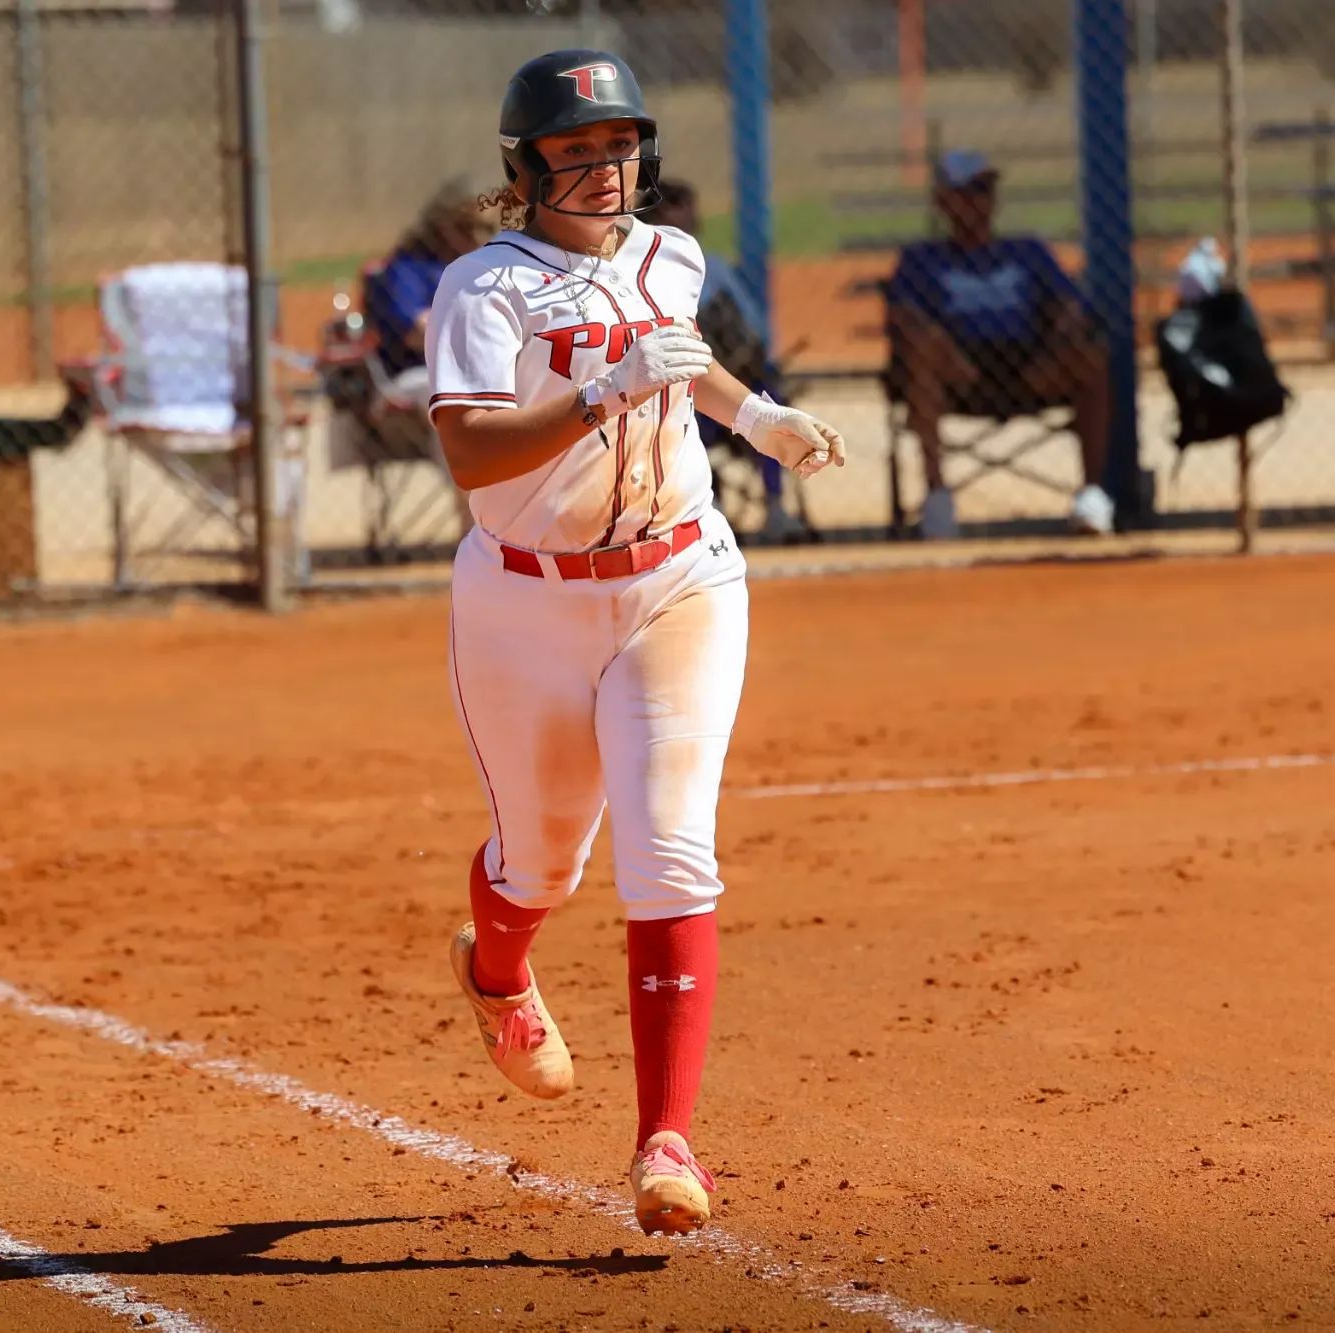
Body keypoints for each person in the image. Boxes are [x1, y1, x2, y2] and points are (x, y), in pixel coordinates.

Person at [424, 49, 846, 1237]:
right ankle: (496, 966)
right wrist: (607, 388)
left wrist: (754, 415)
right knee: (540, 865)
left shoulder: (673, 255)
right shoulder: (484, 288)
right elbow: (471, 455)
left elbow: (679, 360)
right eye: (574, 148)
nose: (602, 168)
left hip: (677, 576)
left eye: (617, 146)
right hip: (525, 603)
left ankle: (668, 1141)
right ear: (526, 165)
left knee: (668, 851)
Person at [885, 149, 1114, 539]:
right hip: (960, 372)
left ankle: (1092, 497)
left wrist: (1066, 324)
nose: (981, 199)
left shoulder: (1026, 251)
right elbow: (903, 317)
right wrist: (928, 337)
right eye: (970, 190)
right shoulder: (921, 259)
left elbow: (1069, 304)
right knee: (922, 348)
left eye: (986, 189)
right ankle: (938, 501)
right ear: (943, 200)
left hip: (1027, 365)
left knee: (1089, 353)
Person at [645, 178, 801, 541]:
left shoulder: (712, 268)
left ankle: (777, 507)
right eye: (668, 206)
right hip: (672, 390)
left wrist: (742, 359)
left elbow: (755, 332)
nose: (679, 215)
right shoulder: (639, 274)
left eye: (684, 206)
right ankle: (703, 510)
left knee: (766, 399)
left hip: (726, 379)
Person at [365, 178, 492, 405]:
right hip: (416, 373)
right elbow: (419, 334)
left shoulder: (480, 266)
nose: (477, 237)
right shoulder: (408, 267)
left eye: (484, 228)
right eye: (465, 227)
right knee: (451, 395)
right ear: (442, 226)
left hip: (480, 366)